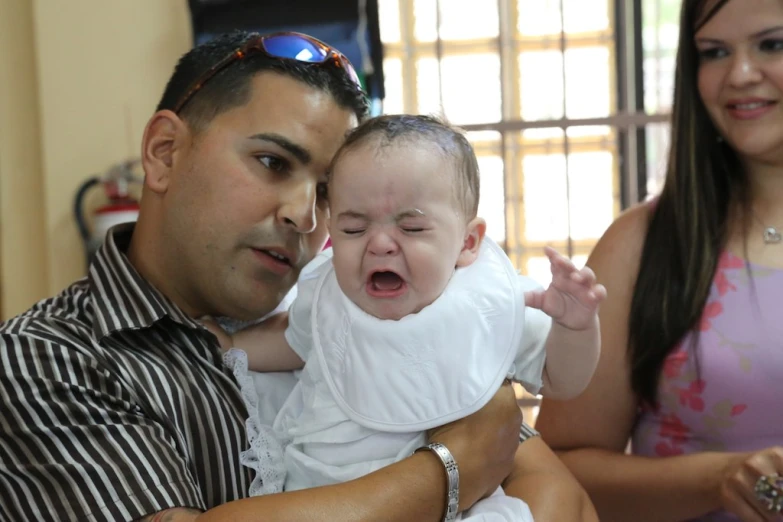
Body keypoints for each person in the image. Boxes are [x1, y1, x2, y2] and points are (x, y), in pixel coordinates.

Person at [0, 30, 597, 522]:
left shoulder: (365, 309)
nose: (305, 215)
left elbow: (563, 500)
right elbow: (486, 451)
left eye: (323, 192)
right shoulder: (47, 357)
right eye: (271, 162)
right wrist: (453, 466)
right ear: (163, 152)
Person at [205, 114, 606, 520]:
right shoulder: (328, 295)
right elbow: (293, 341)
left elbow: (562, 379)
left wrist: (575, 327)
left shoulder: (489, 304)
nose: (380, 243)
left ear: (468, 242)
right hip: (320, 493)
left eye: (412, 228)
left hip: (454, 511)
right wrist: (234, 345)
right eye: (354, 229)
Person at [535, 1, 783, 521]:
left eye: (772, 44)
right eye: (714, 52)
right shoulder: (641, 245)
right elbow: (556, 468)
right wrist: (720, 479)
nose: (739, 74)